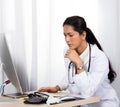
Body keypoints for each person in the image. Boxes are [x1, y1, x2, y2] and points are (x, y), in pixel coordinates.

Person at [37, 16, 119, 107]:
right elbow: (70, 75)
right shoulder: (68, 50)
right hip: (83, 103)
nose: (67, 39)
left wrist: (79, 63)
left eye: (70, 35)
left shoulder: (99, 58)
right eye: (65, 35)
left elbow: (88, 92)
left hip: (103, 103)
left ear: (83, 35)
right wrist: (57, 87)